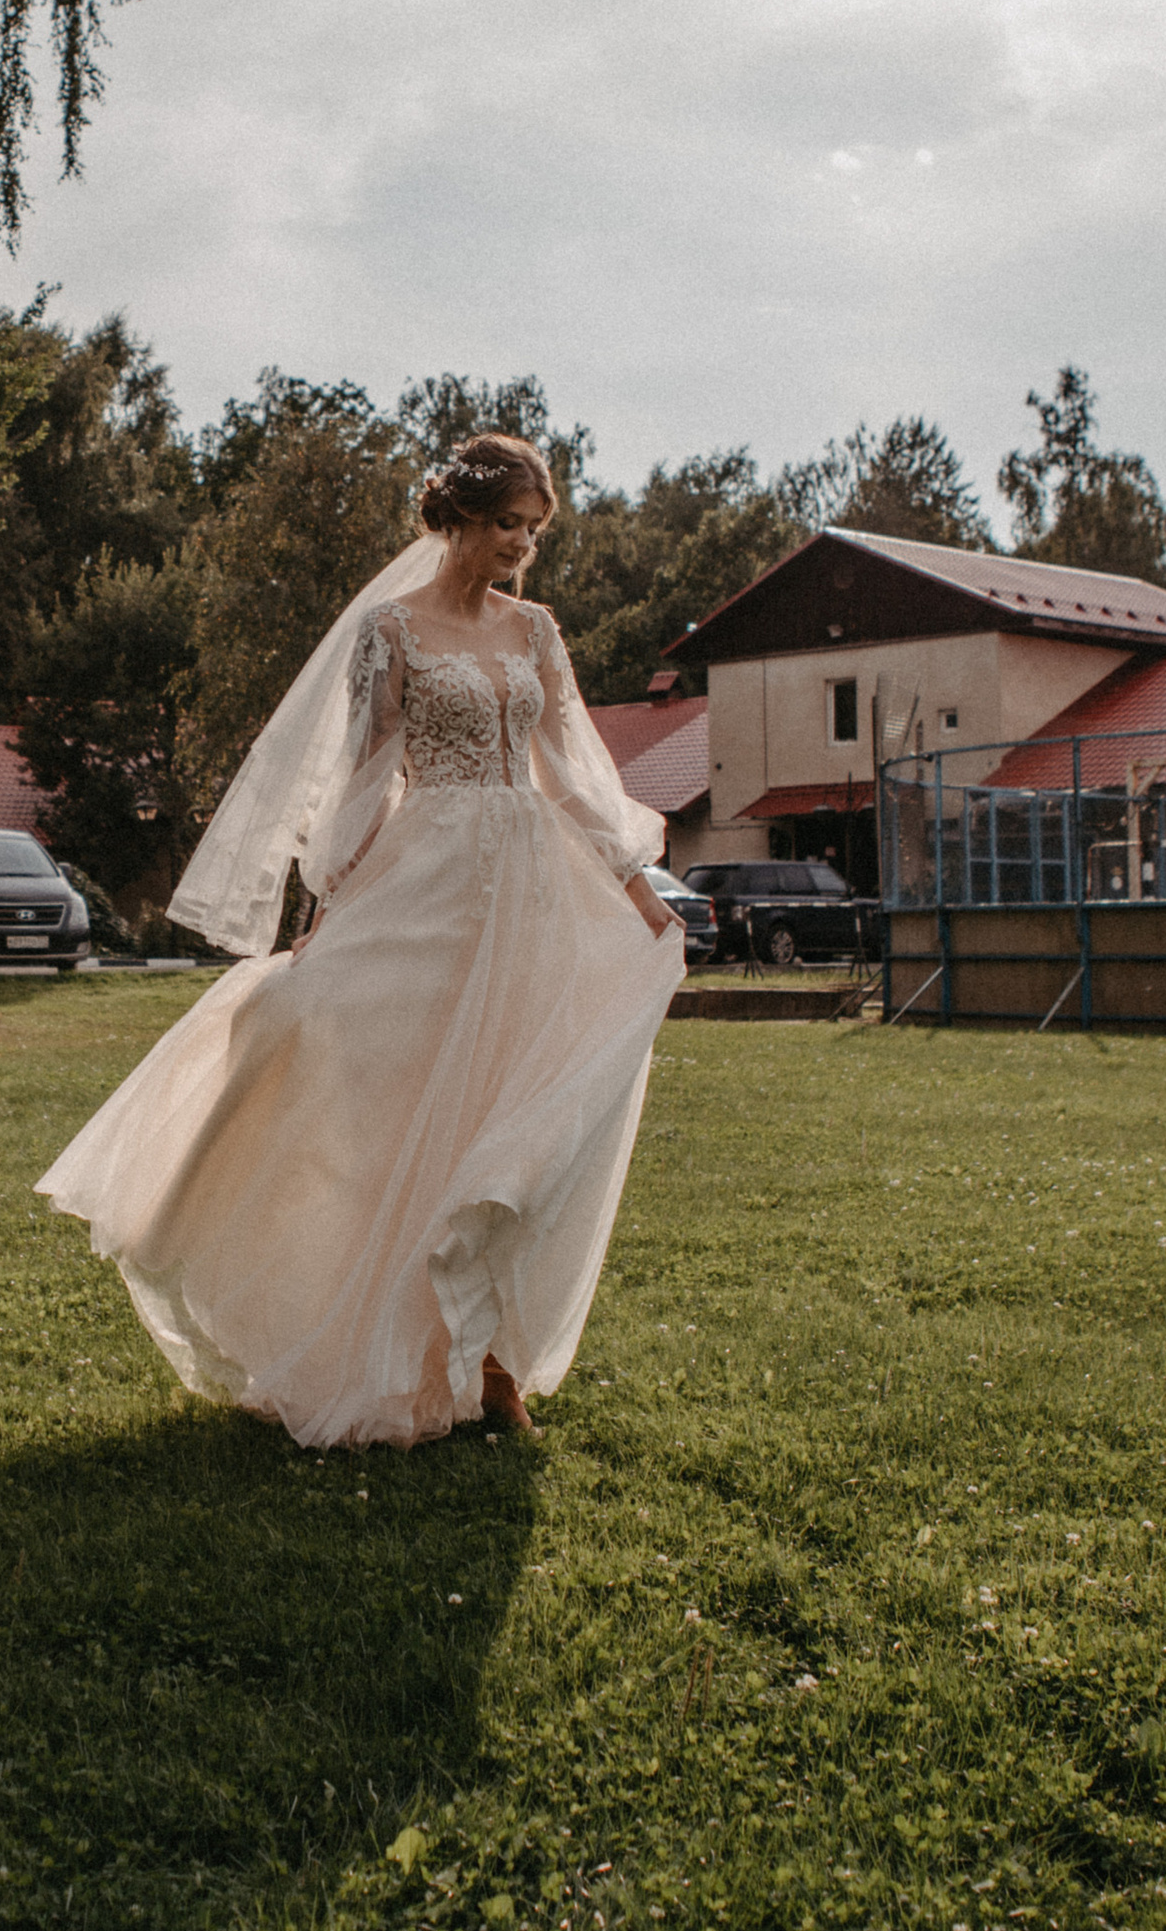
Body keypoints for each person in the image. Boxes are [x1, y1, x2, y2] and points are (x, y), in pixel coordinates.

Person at [37, 433, 683, 1448]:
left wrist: (637, 890)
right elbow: (365, 777)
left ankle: (493, 1358)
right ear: (460, 518)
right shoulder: (391, 631)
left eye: (533, 528)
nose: (520, 545)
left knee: (506, 1105)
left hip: (525, 886)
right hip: (420, 878)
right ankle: (386, 1347)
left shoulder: (536, 633)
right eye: (506, 523)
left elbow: (569, 769)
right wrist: (325, 910)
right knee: (378, 1090)